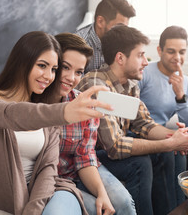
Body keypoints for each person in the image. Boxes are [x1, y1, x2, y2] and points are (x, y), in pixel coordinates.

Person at [0, 31, 112, 215]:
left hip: (54, 190)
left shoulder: (45, 111)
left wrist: (33, 210)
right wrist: (65, 112)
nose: (49, 76)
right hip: (10, 198)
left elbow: (48, 169)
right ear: (22, 62)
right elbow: (13, 115)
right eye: (42, 65)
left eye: (53, 69)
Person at [77, 25, 188, 215]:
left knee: (170, 152)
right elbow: (114, 146)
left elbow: (144, 124)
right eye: (140, 55)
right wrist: (169, 143)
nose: (146, 62)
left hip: (109, 151)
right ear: (120, 58)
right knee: (141, 163)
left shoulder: (130, 85)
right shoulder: (96, 85)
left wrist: (175, 136)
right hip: (91, 158)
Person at [35, 32, 136, 215]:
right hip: (52, 180)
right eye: (65, 67)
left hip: (78, 169)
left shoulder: (84, 105)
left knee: (123, 203)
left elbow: (84, 157)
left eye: (79, 72)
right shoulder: (31, 108)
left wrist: (101, 193)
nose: (71, 78)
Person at [138, 26, 188, 205]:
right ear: (159, 51)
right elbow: (133, 117)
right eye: (171, 51)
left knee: (184, 146)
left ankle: (180, 207)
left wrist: (180, 95)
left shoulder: (186, 83)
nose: (177, 58)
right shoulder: (144, 73)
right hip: (142, 133)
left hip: (165, 134)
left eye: (182, 52)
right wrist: (172, 138)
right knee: (175, 149)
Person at [76, 0, 136, 73]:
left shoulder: (121, 40)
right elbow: (76, 82)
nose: (123, 32)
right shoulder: (79, 45)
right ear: (100, 22)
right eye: (119, 26)